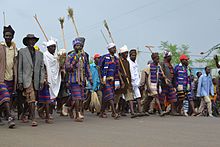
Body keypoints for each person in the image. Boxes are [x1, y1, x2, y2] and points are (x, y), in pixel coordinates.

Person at [18, 34, 45, 126]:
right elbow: (20, 68)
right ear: (27, 41)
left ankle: (23, 114)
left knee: (29, 99)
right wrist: (20, 81)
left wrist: (42, 80)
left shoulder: (40, 54)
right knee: (32, 98)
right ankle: (33, 118)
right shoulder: (22, 52)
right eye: (30, 40)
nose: (31, 42)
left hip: (36, 80)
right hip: (27, 79)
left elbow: (42, 68)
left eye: (33, 40)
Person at [65, 38, 92, 122]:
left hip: (82, 80)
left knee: (80, 98)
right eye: (77, 46)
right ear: (74, 47)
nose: (78, 47)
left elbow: (87, 67)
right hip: (73, 80)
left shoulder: (84, 56)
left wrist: (90, 78)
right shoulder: (70, 56)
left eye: (80, 46)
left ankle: (71, 109)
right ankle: (77, 115)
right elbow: (67, 68)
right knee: (77, 98)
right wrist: (74, 62)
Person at [38, 39, 62, 123]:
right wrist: (44, 78)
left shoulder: (56, 57)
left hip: (55, 79)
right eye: (51, 47)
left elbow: (58, 68)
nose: (53, 48)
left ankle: (42, 110)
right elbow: (42, 68)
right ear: (47, 47)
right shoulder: (44, 56)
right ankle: (48, 116)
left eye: (54, 46)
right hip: (47, 80)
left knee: (52, 100)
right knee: (47, 100)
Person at [0, 25, 17, 128]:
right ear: (3, 36)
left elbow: (15, 62)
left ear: (12, 36)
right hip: (1, 78)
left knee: (7, 99)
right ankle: (10, 118)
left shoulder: (14, 48)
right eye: (6, 35)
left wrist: (17, 78)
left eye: (9, 36)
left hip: (11, 78)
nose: (8, 37)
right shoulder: (1, 47)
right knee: (6, 97)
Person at [99, 43, 120, 119]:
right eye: (113, 48)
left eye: (115, 48)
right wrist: (101, 79)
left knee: (106, 97)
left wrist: (118, 81)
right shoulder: (104, 57)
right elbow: (99, 68)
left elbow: (117, 71)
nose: (114, 49)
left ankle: (101, 112)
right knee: (110, 96)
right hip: (105, 80)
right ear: (109, 49)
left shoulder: (116, 59)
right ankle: (114, 113)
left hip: (113, 80)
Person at [118, 45, 135, 117]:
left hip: (127, 81)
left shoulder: (127, 62)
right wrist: (122, 76)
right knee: (119, 97)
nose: (126, 55)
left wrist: (130, 83)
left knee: (129, 97)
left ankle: (132, 112)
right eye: (125, 53)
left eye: (127, 53)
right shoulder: (119, 61)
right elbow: (117, 71)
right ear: (122, 54)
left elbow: (129, 72)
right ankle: (118, 110)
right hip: (120, 81)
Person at [160, 50, 178, 116]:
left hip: (170, 84)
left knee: (173, 98)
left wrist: (174, 85)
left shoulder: (171, 65)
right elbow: (161, 74)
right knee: (162, 98)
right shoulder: (162, 64)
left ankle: (173, 111)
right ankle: (162, 110)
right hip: (164, 84)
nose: (170, 58)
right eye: (169, 56)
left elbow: (173, 75)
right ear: (166, 57)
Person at [128, 49, 143, 115]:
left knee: (138, 96)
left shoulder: (135, 62)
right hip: (130, 82)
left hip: (136, 83)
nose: (134, 57)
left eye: (135, 55)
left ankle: (140, 111)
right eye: (133, 55)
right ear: (130, 55)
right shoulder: (129, 62)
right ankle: (132, 111)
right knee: (130, 98)